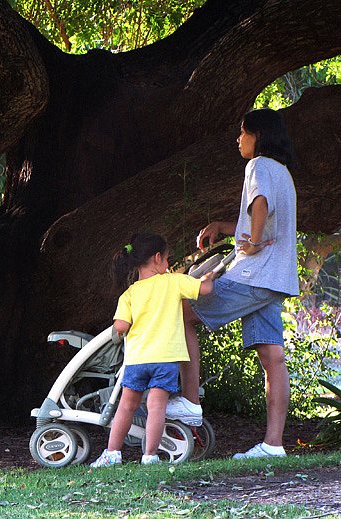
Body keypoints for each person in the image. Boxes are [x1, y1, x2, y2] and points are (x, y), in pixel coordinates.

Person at [165, 108, 299, 459]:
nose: (238, 139)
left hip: (254, 275)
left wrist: (252, 243)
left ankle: (190, 403)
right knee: (273, 357)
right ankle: (273, 445)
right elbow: (269, 217)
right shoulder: (283, 173)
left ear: (259, 136)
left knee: (182, 312)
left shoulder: (257, 166)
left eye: (243, 132)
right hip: (275, 280)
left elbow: (260, 204)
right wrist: (225, 227)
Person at [91, 233, 213, 467]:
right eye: (167, 258)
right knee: (156, 407)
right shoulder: (173, 281)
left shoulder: (130, 294)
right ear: (158, 258)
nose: (168, 264)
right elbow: (204, 289)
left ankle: (112, 452)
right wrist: (210, 275)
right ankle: (150, 456)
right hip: (165, 359)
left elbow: (121, 326)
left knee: (126, 405)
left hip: (137, 359)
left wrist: (121, 330)